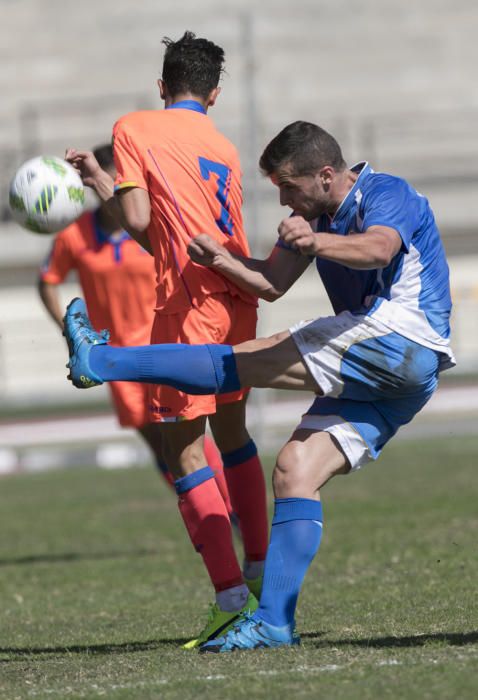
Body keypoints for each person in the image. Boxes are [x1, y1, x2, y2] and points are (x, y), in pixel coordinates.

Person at [63, 119, 455, 652]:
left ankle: (102, 360)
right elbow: (271, 283)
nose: (284, 200)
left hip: (400, 336)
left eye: (289, 187)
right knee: (294, 472)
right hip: (398, 379)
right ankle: (273, 623)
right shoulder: (305, 215)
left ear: (324, 175)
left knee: (239, 362)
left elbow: (380, 249)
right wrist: (221, 260)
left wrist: (315, 241)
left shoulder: (385, 192)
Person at [65, 32, 269, 649]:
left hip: (187, 309)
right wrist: (105, 179)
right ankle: (259, 573)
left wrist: (107, 187)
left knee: (182, 452)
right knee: (234, 439)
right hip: (237, 302)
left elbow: (135, 224)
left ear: (161, 87)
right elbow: (170, 237)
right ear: (214, 93)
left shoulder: (135, 125)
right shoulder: (223, 147)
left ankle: (232, 601)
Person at [38, 144, 232, 503]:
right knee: (162, 449)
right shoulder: (73, 234)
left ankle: (232, 511)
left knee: (189, 439)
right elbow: (47, 281)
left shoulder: (150, 225)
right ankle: (203, 513)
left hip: (166, 348)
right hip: (116, 358)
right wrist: (72, 332)